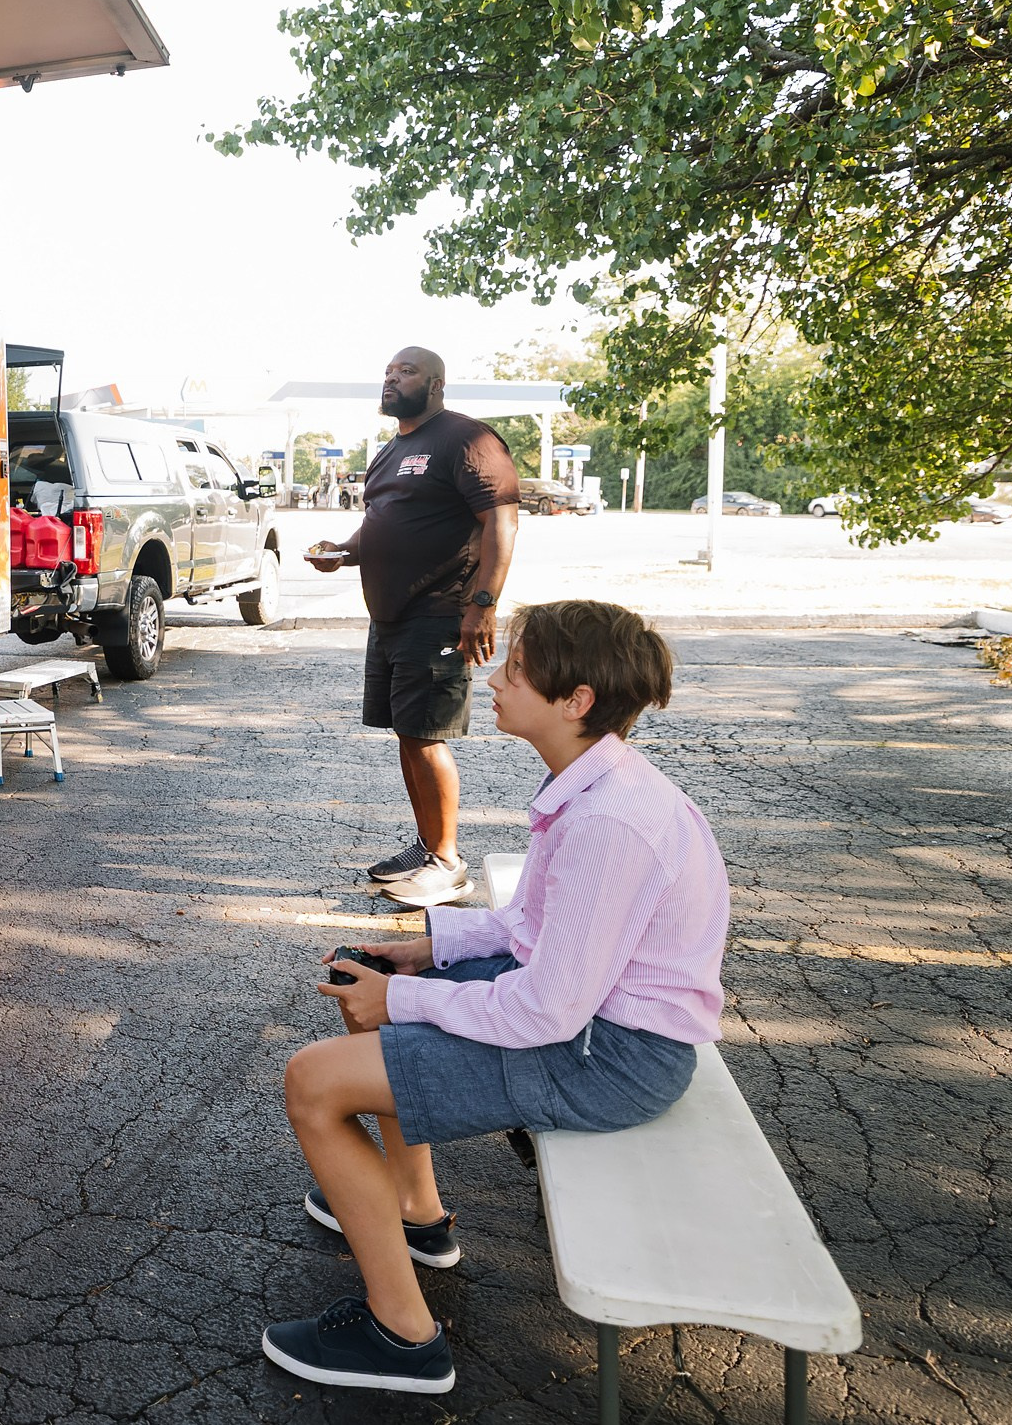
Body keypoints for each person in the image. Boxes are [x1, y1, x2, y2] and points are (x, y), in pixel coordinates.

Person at [257, 600, 727, 1394]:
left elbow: (547, 1009)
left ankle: (403, 1337)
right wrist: (424, 951)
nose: (494, 677)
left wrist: (403, 1002)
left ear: (575, 700)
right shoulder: (594, 783)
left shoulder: (610, 822)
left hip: (612, 1058)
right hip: (597, 1027)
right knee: (386, 987)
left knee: (312, 1081)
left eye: (516, 668)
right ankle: (415, 1210)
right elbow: (528, 926)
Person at [304, 347, 520, 906]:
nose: (392, 379)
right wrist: (343, 552)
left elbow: (500, 520)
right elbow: (383, 522)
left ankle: (448, 863)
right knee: (408, 733)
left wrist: (483, 604)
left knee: (427, 736)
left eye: (407, 372)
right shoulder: (389, 451)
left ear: (436, 384)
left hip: (440, 611)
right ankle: (428, 847)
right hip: (391, 616)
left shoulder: (467, 439)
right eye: (388, 372)